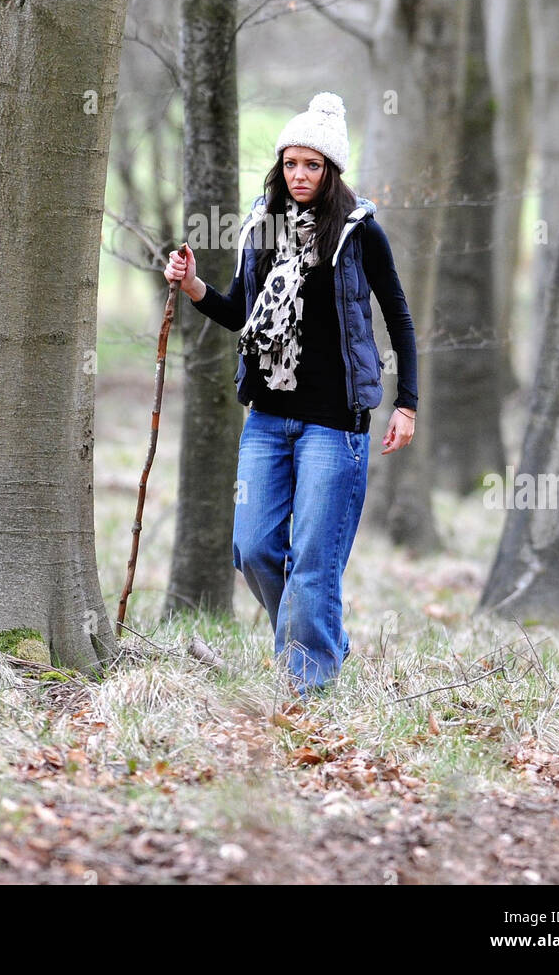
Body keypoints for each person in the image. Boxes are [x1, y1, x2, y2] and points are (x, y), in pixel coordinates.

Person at [163, 91, 417, 698]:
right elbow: (242, 315)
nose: (299, 175)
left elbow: (399, 318)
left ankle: (308, 688)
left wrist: (406, 402)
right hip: (268, 418)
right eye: (291, 163)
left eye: (313, 165)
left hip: (337, 424)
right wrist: (195, 286)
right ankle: (321, 637)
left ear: (332, 172)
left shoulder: (361, 234)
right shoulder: (262, 227)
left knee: (312, 560)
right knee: (252, 547)